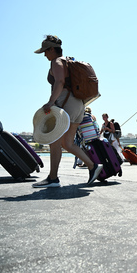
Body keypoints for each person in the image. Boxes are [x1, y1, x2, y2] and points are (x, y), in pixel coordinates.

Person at [32, 35, 103, 187]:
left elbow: (60, 82)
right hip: (78, 104)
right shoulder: (68, 61)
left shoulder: (56, 62)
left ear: (52, 49)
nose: (45, 54)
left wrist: (51, 102)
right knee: (68, 143)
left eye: (46, 51)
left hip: (66, 103)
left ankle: (53, 178)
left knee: (54, 141)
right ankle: (93, 166)